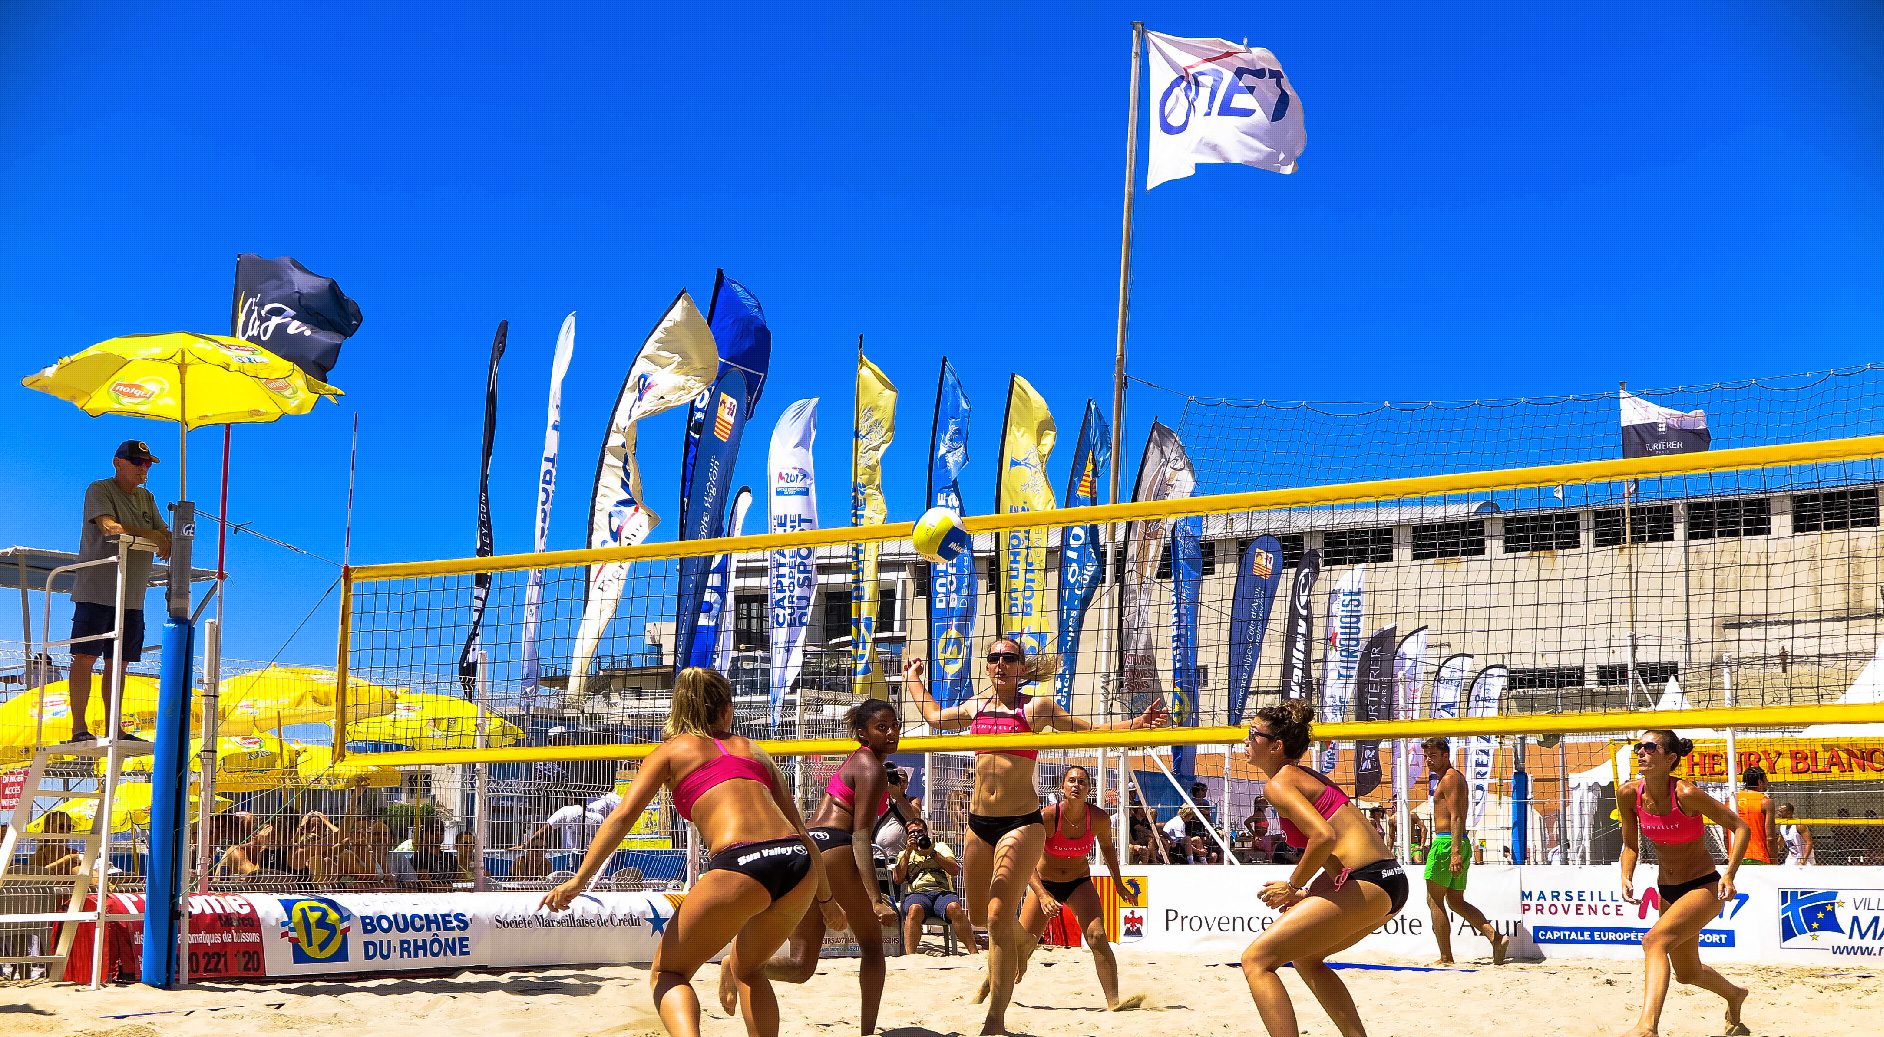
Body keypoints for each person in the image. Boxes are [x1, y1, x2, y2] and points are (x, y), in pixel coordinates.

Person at [542, 668, 837, 1037]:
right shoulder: (753, 749)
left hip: (741, 863)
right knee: (749, 969)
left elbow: (621, 818)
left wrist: (579, 880)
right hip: (798, 864)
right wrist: (827, 901)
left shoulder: (669, 751)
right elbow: (802, 832)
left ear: (676, 708)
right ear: (727, 710)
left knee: (670, 973)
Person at [903, 639, 1165, 1036]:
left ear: (1021, 667)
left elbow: (1089, 729)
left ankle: (995, 1020)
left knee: (996, 916)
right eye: (994, 658)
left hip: (1021, 823)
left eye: (1010, 658)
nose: (1001, 664)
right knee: (978, 917)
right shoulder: (976, 706)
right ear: (988, 666)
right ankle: (1009, 962)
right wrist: (912, 680)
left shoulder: (1034, 708)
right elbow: (936, 715)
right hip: (978, 823)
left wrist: (1135, 725)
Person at [720, 699, 903, 1034]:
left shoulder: (858, 762)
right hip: (834, 847)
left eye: (895, 725)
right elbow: (860, 839)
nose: (892, 733)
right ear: (862, 733)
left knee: (803, 967)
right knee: (874, 947)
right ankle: (866, 1032)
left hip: (808, 847)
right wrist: (876, 899)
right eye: (882, 727)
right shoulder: (871, 768)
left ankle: (738, 962)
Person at [1237, 700, 1408, 1037]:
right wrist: (1308, 891)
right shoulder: (1300, 777)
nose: (1245, 740)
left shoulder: (1280, 784)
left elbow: (1324, 837)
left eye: (1253, 734)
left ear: (1276, 746)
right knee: (1306, 958)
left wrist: (1291, 885)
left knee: (1256, 961)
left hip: (1369, 880)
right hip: (1386, 880)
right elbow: (1336, 851)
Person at [1616, 729, 1752, 1037]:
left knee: (1653, 941)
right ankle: (1734, 994)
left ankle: (1646, 1028)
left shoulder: (1686, 794)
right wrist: (1626, 875)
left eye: (1650, 747)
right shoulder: (1628, 794)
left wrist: (1730, 874)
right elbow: (1630, 845)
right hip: (1668, 890)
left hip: (1704, 886)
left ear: (1670, 758)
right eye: (1639, 747)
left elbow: (1740, 828)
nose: (1641, 751)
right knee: (1687, 974)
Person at [987, 766, 1142, 1011]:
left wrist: (1119, 884)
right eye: (1071, 781)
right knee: (1021, 948)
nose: (1076, 785)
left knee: (1097, 936)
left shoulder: (1098, 818)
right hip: (1044, 884)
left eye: (1082, 781)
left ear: (1089, 789)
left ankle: (1114, 1003)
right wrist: (1042, 894)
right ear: (1062, 787)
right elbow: (1025, 861)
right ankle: (984, 994)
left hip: (1078, 881)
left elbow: (1109, 851)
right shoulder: (1048, 817)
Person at [66, 440, 171, 744]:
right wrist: (152, 534)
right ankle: (79, 729)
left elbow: (165, 533)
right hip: (97, 590)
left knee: (119, 664)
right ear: (118, 462)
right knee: (85, 657)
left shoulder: (146, 497)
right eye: (138, 463)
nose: (144, 469)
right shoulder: (99, 489)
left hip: (132, 594)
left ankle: (115, 727)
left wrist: (164, 536)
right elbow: (110, 528)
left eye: (148, 463)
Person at [1419, 738, 1508, 966]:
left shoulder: (1450, 778)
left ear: (1446, 755)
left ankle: (1446, 957)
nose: (1429, 761)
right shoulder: (1452, 778)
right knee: (1456, 902)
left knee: (1434, 900)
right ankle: (1495, 937)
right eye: (1426, 756)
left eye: (1433, 756)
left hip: (1448, 843)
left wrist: (1455, 852)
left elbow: (1457, 817)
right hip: (1457, 842)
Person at [893, 815, 975, 955]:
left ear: (926, 833)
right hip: (917, 893)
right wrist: (907, 852)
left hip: (942, 892)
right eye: (912, 833)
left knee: (955, 908)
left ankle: (973, 953)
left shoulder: (940, 847)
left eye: (919, 832)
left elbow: (954, 870)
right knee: (914, 910)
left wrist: (932, 853)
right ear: (907, 837)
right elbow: (898, 879)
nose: (916, 835)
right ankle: (910, 956)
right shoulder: (904, 853)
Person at [1733, 766, 1778, 866]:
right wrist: (1774, 861)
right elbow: (1770, 837)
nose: (1767, 782)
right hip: (1758, 856)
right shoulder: (1765, 802)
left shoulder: (1731, 800)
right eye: (1766, 779)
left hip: (1735, 856)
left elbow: (1725, 834)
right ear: (1760, 782)